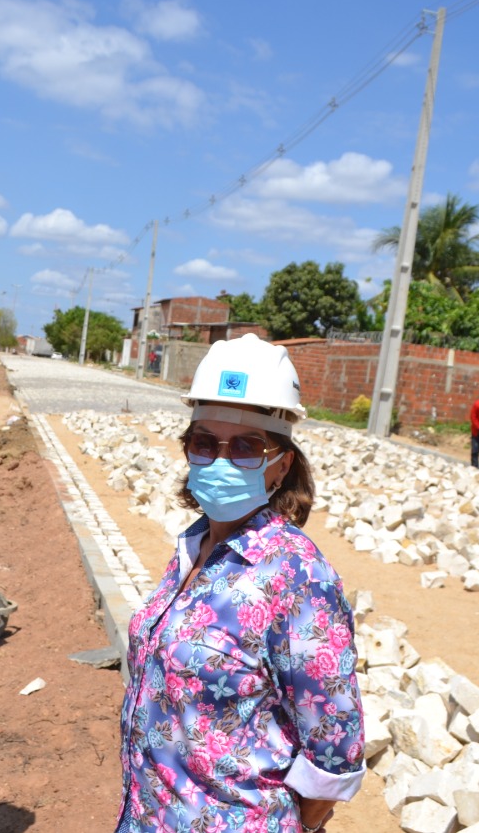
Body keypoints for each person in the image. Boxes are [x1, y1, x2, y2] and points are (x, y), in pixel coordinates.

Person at [116, 334, 364, 833]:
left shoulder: (295, 575)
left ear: (282, 463)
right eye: (204, 443)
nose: (220, 461)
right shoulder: (195, 544)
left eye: (247, 446)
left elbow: (336, 743)